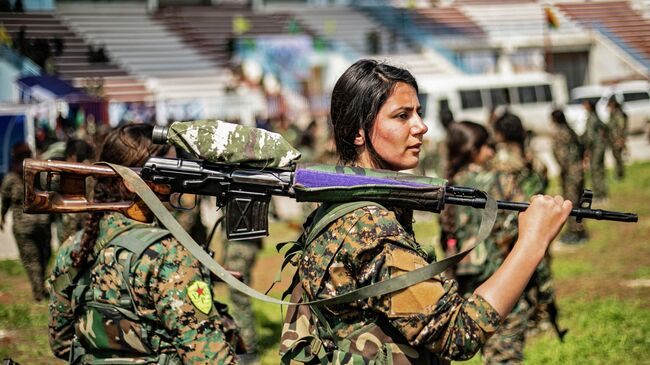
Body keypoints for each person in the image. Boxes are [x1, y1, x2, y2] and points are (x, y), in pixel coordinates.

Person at [280, 59, 572, 364]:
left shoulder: (339, 202)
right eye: (402, 116)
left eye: (418, 113)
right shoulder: (369, 226)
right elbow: (458, 334)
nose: (421, 126)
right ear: (358, 132)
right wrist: (532, 243)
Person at [47, 124, 240, 364]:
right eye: (169, 171)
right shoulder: (166, 255)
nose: (178, 180)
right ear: (131, 181)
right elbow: (210, 359)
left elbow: (61, 344)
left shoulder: (73, 248)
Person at [484, 113, 556, 364]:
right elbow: (543, 183)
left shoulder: (493, 161)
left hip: (500, 234)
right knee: (536, 274)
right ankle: (538, 314)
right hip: (533, 225)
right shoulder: (531, 160)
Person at [1, 142, 52, 301]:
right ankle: (41, 288)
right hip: (43, 222)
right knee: (44, 255)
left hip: (23, 227)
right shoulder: (39, 173)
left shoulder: (11, 178)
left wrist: (1, 217)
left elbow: (5, 201)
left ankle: (38, 293)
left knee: (32, 260)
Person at [551, 109, 588, 244]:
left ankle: (575, 233)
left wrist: (565, 169)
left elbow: (560, 155)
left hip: (570, 174)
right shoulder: (569, 130)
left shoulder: (559, 133)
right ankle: (579, 230)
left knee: (570, 202)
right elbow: (581, 146)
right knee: (578, 201)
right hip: (577, 171)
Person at [581, 99, 609, 201]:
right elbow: (605, 127)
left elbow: (590, 137)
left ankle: (599, 194)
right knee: (600, 170)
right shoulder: (595, 116)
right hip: (600, 146)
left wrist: (586, 148)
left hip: (595, 148)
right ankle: (603, 193)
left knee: (596, 170)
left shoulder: (591, 118)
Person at [607, 95, 628, 180]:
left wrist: (621, 139)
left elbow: (621, 127)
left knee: (618, 157)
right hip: (613, 139)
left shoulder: (618, 114)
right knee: (616, 157)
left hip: (618, 139)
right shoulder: (612, 113)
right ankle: (618, 173)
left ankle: (620, 174)